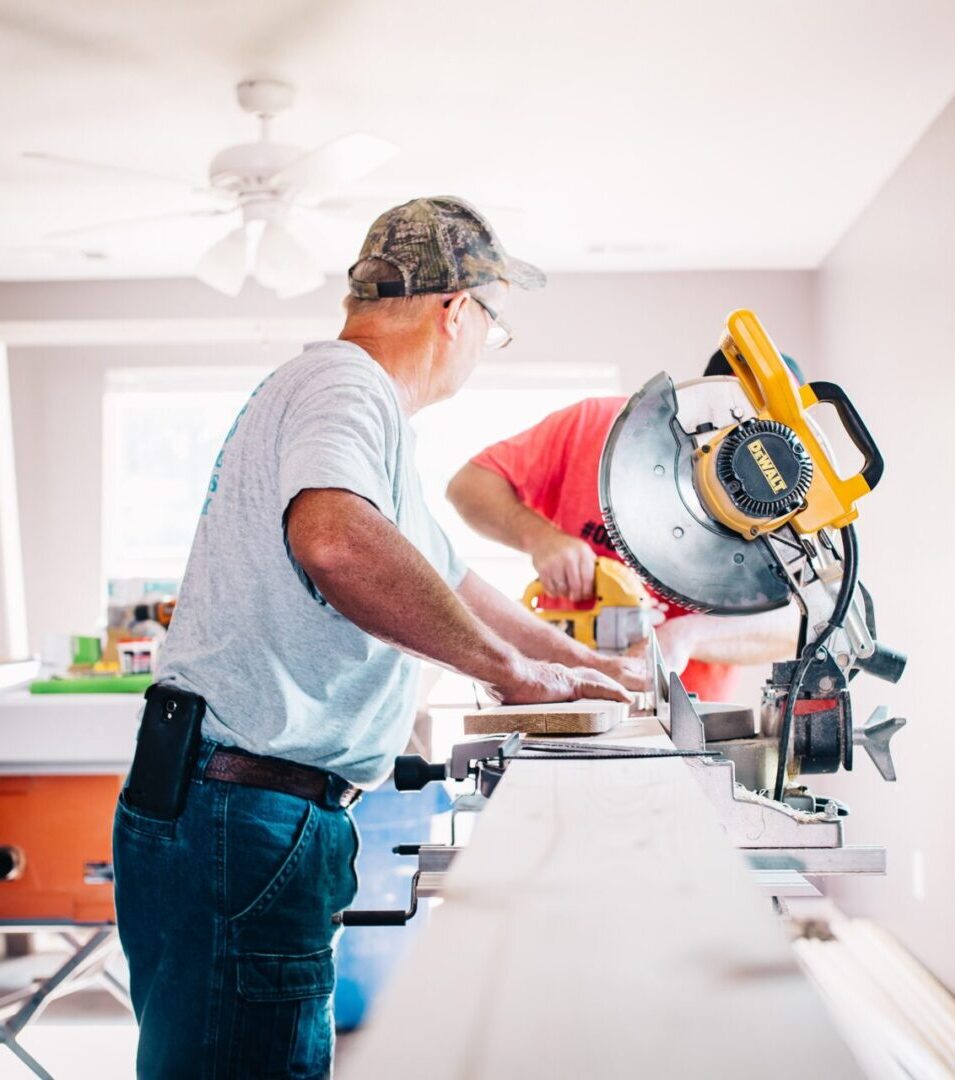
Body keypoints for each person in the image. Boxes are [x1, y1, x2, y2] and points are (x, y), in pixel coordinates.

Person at [112, 196, 639, 1080]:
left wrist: (579, 664)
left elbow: (450, 577)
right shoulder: (346, 386)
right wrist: (513, 674)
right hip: (243, 813)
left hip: (229, 804)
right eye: (492, 327)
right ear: (458, 310)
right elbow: (335, 540)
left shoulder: (351, 408)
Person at [446, 351, 803, 701]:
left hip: (685, 711)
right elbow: (469, 486)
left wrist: (686, 635)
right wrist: (539, 537)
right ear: (701, 395)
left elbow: (797, 624)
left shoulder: (784, 504)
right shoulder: (595, 426)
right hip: (561, 688)